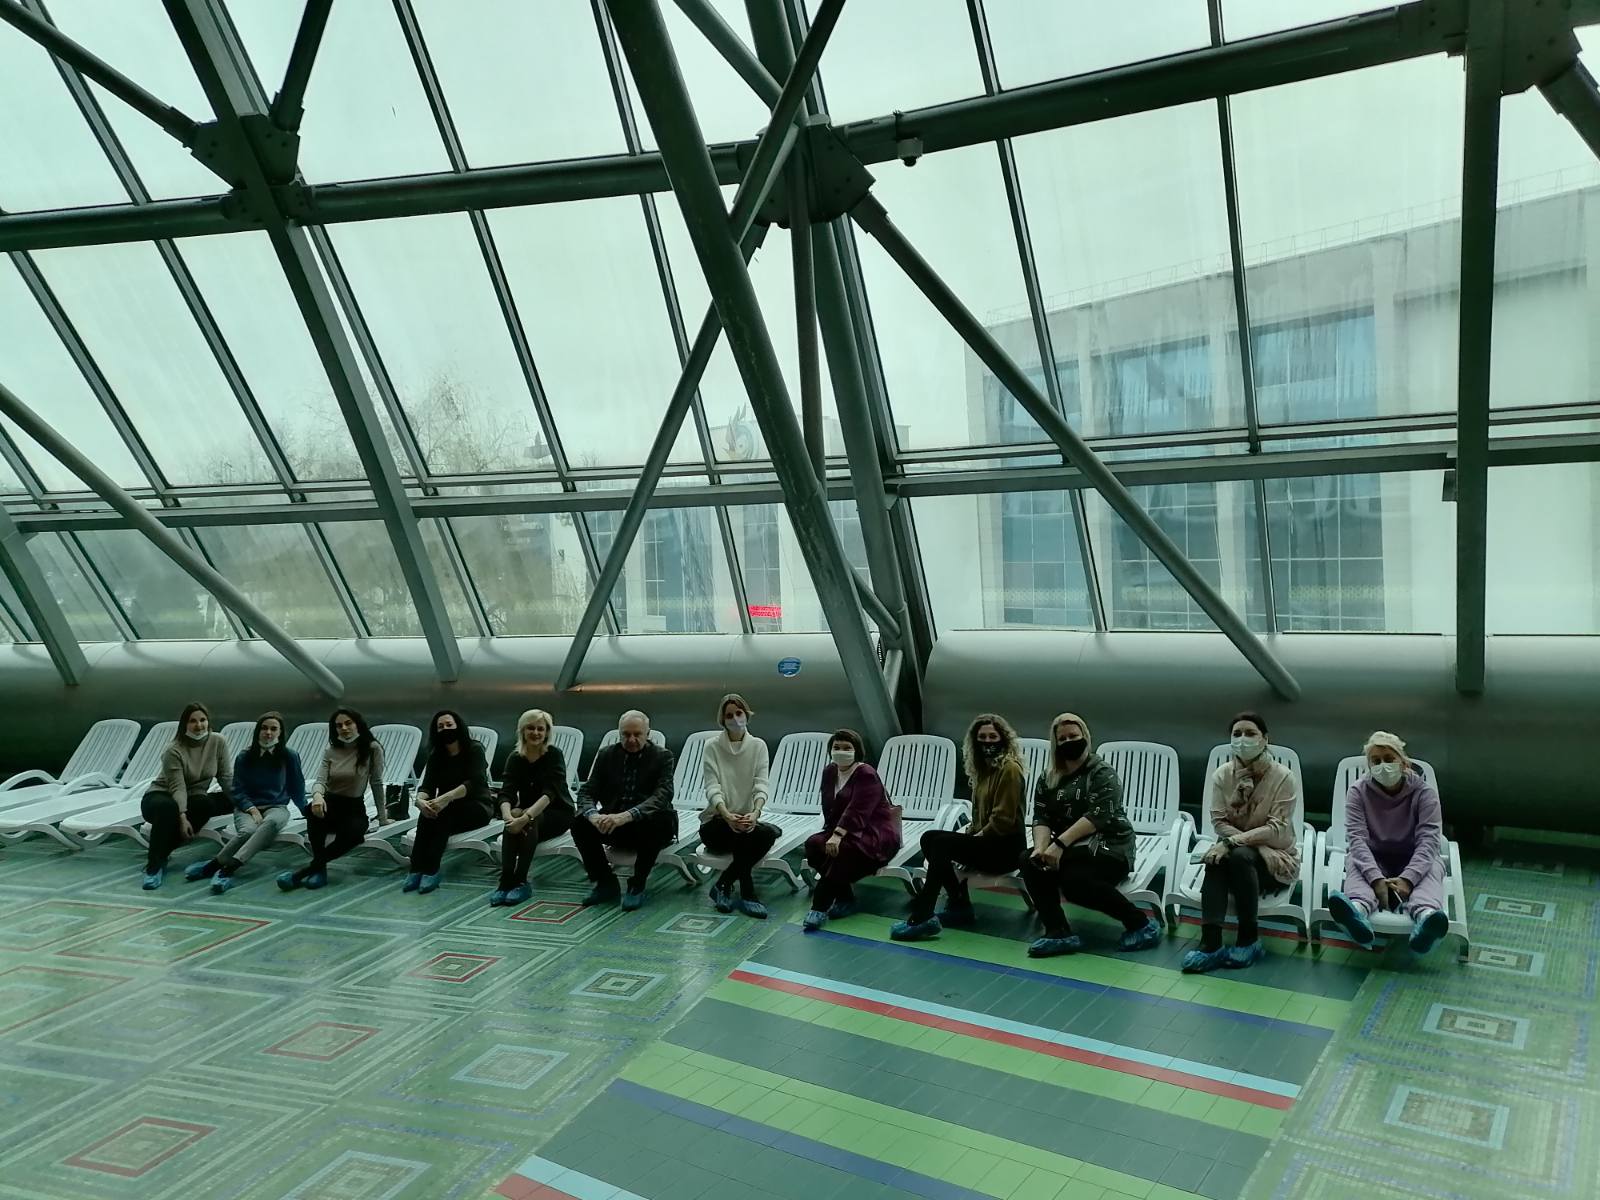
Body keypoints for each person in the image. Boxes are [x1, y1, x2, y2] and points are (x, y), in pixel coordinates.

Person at [1020, 713, 1161, 957]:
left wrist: (1058, 845)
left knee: (1075, 882)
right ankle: (1057, 931)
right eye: (1062, 739)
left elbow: (1096, 818)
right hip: (1071, 849)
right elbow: (1041, 816)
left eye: (1073, 736)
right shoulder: (1048, 777)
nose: (1069, 742)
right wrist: (1041, 848)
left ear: (1085, 737)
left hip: (1110, 846)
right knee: (1030, 861)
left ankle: (1140, 923)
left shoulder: (1102, 773)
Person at [1181, 712, 1301, 974]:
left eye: (1250, 733)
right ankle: (1211, 943)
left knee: (1236, 855)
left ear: (1265, 739)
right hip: (1239, 855)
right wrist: (1235, 843)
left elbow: (1276, 827)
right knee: (1218, 859)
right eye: (1237, 734)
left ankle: (1249, 939)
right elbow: (1218, 821)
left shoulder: (1283, 777)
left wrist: (1232, 842)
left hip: (1274, 860)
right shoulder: (1223, 776)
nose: (1243, 739)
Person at [890, 713, 1026, 941]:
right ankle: (959, 904)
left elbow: (1003, 819)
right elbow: (978, 815)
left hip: (1006, 848)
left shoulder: (1009, 769)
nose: (987, 742)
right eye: (982, 737)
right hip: (988, 843)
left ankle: (923, 915)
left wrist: (972, 842)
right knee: (929, 838)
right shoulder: (983, 771)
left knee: (941, 844)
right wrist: (969, 839)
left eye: (993, 736)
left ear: (1003, 739)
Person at [1325, 730, 1450, 955]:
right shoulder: (1357, 792)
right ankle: (1357, 911)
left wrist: (1408, 879)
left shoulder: (1424, 794)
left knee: (1433, 865)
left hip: (1413, 856)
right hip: (1375, 856)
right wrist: (1376, 879)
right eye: (1376, 761)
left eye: (1389, 759)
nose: (1383, 765)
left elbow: (1429, 840)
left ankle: (1427, 918)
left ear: (1404, 763)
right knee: (1354, 860)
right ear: (1369, 766)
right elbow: (1357, 839)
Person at [185, 711, 306, 893]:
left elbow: (297, 787)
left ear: (280, 733)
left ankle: (222, 867)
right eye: (264, 728)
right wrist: (250, 808)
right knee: (247, 831)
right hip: (247, 807)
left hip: (277, 807)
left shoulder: (289, 756)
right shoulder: (245, 756)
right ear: (258, 731)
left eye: (274, 729)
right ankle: (220, 866)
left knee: (271, 823)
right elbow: (237, 790)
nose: (268, 733)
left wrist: (307, 811)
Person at [570, 711, 677, 911]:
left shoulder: (662, 757)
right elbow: (587, 791)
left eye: (637, 734)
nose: (632, 739)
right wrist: (593, 815)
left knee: (657, 820)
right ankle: (605, 882)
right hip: (614, 823)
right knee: (579, 822)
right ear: (619, 734)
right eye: (626, 735)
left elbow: (663, 795)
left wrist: (627, 816)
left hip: (646, 825)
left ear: (648, 734)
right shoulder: (606, 755)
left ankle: (637, 884)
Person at [279, 708, 389, 891]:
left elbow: (376, 783)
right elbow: (320, 781)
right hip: (330, 803)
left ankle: (304, 872)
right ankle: (320, 871)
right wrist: (317, 796)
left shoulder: (372, 748)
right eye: (339, 725)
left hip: (353, 807)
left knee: (355, 834)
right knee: (314, 813)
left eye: (348, 723)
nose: (344, 728)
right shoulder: (331, 750)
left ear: (357, 724)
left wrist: (382, 817)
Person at [802, 729, 900, 933]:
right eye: (836, 747)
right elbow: (828, 806)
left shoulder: (866, 774)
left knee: (841, 853)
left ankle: (819, 906)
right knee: (814, 845)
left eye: (847, 748)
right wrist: (831, 833)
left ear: (857, 751)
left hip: (874, 833)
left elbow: (859, 810)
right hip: (841, 831)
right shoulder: (830, 772)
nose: (841, 751)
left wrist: (837, 835)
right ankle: (845, 897)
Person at [138, 702, 234, 890]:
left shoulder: (218, 742)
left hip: (194, 797)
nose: (199, 725)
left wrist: (246, 803)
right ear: (184, 725)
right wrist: (182, 817)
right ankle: (153, 867)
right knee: (168, 809)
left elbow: (225, 777)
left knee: (207, 804)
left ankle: (160, 854)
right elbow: (177, 787)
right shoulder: (173, 750)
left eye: (203, 720)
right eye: (193, 721)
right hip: (161, 796)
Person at [698, 693, 777, 920]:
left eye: (739, 713)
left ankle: (723, 884)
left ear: (747, 715)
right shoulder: (712, 747)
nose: (735, 719)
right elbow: (712, 787)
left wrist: (755, 814)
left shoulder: (758, 746)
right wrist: (727, 816)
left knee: (761, 834)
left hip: (746, 821)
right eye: (729, 715)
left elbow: (761, 785)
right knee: (749, 838)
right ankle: (748, 893)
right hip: (716, 823)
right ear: (722, 720)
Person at [490, 709, 574, 907]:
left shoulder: (553, 755)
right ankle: (505, 882)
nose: (535, 733)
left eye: (540, 729)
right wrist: (508, 818)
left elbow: (550, 794)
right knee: (514, 816)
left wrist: (524, 818)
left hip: (557, 813)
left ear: (546, 732)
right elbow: (507, 792)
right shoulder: (515, 758)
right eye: (530, 728)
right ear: (522, 731)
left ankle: (520, 881)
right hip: (529, 812)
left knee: (528, 820)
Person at [403, 710, 491, 894]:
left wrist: (446, 798)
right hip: (447, 807)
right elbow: (427, 785)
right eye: (441, 727)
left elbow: (475, 783)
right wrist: (420, 801)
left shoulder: (474, 749)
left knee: (442, 816)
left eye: (449, 725)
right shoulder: (437, 755)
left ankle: (431, 869)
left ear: (458, 726)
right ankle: (416, 869)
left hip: (478, 806)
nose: (445, 729)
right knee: (427, 815)